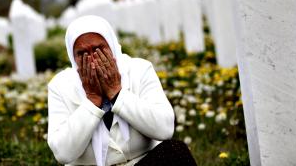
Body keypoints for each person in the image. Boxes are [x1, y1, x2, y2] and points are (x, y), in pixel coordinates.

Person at [47, 15, 197, 166]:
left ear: (111, 47)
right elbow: (62, 153)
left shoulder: (139, 70)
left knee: (176, 151)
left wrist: (116, 92)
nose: (92, 60)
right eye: (82, 54)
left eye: (99, 50)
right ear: (73, 58)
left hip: (142, 162)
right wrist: (92, 100)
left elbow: (164, 128)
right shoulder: (60, 86)